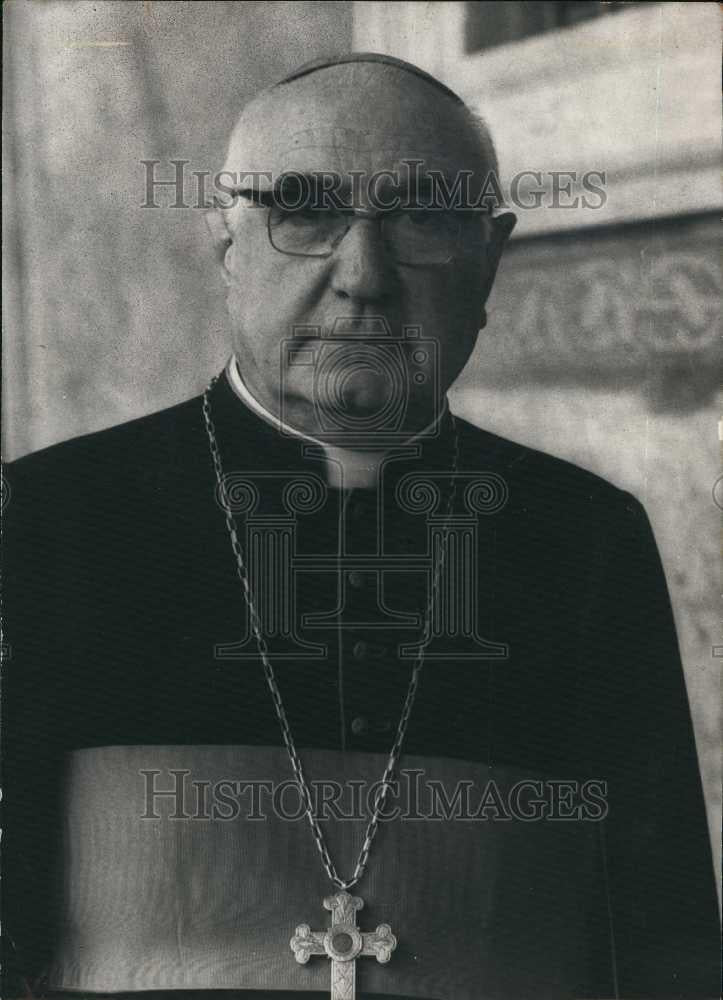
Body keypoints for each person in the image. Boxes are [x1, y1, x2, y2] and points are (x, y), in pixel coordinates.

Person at [2, 53, 718, 1000]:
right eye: (304, 210)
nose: (363, 276)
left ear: (489, 257)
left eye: (423, 216)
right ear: (227, 243)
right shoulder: (51, 519)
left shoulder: (584, 538)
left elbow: (665, 942)